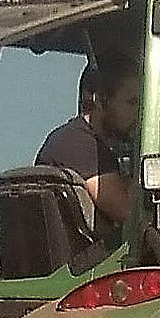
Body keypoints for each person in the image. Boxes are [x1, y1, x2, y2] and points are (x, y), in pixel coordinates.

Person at [35, 49, 142, 235]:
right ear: (99, 99)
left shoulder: (67, 138)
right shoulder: (83, 146)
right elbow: (129, 213)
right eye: (131, 102)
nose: (139, 113)